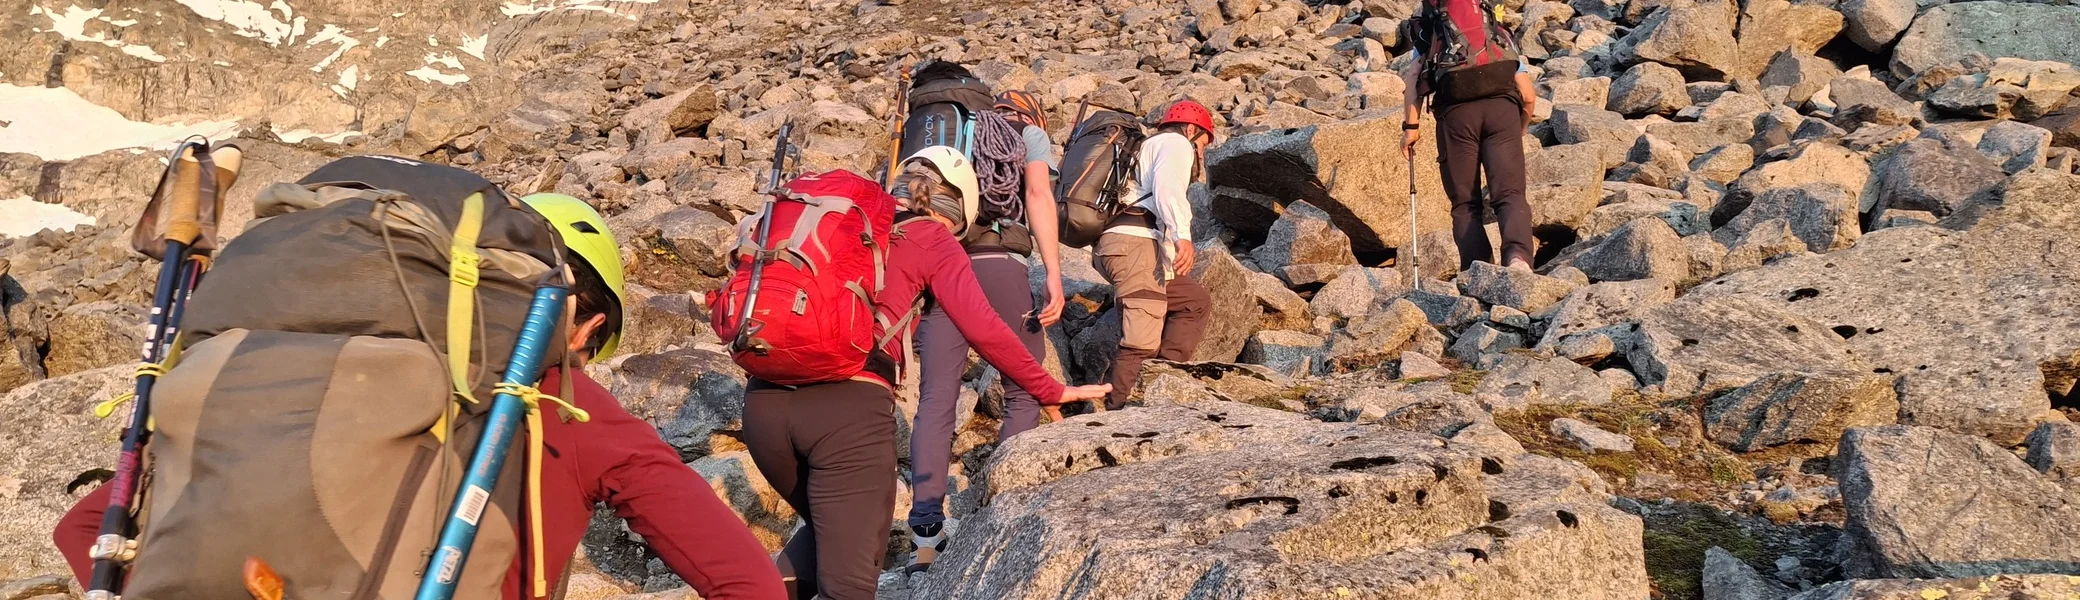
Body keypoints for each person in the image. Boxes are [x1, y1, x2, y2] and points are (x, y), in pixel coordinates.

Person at [53, 193, 788, 600]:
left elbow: (85, 528)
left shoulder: (311, 371)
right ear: (585, 326)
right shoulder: (575, 408)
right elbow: (746, 581)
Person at [740, 147, 1111, 600]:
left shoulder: (845, 221)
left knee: (828, 531)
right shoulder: (932, 237)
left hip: (763, 405)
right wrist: (1047, 387)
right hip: (846, 415)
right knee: (849, 581)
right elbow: (985, 329)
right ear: (958, 209)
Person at [900, 90, 1066, 575]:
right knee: (1022, 391)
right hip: (999, 265)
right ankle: (1002, 512)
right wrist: (1054, 273)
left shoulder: (938, 138)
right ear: (1031, 115)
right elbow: (1038, 195)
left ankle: (925, 539)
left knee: (936, 399)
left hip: (941, 266)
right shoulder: (1026, 135)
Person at [1092, 99, 1215, 411]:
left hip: (1127, 245)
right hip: (1134, 245)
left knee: (1192, 301)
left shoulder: (1148, 147)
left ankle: (1164, 379)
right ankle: (1117, 411)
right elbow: (1167, 190)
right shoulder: (1176, 143)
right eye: (1204, 144)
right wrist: (1182, 235)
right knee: (1141, 338)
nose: (1202, 154)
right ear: (1191, 130)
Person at [1398, 5, 1540, 271]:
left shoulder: (1432, 31)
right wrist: (1519, 128)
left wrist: (1411, 128)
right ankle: (1518, 259)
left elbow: (1414, 79)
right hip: (1503, 111)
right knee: (1510, 194)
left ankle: (1477, 270)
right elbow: (1528, 95)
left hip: (1457, 116)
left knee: (1465, 203)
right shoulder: (1495, 32)